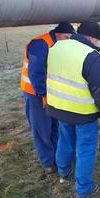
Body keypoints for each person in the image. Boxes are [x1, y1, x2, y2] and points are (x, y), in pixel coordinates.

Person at [46, 21, 100, 198]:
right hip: (83, 113)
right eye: (97, 40)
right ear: (92, 37)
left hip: (59, 107)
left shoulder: (56, 47)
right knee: (86, 149)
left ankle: (63, 173)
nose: (97, 44)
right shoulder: (91, 57)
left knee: (65, 140)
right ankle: (83, 191)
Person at [21, 22, 75, 173]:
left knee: (54, 126)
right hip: (35, 94)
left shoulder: (61, 44)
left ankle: (58, 157)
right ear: (59, 35)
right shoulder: (40, 45)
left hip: (51, 93)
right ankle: (47, 162)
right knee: (41, 128)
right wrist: (43, 94)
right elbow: (35, 73)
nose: (68, 41)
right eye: (67, 38)